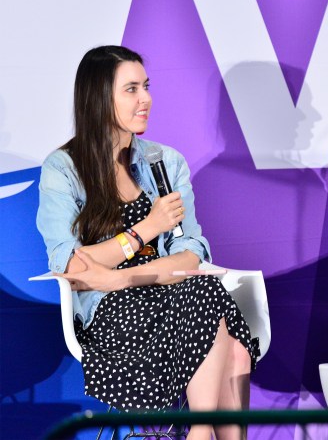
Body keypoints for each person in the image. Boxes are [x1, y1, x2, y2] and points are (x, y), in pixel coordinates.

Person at [36, 45, 257, 440]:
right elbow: (72, 265)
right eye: (132, 89)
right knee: (229, 339)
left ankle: (200, 432)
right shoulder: (63, 168)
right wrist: (146, 228)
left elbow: (191, 252)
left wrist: (119, 275)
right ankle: (201, 434)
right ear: (99, 97)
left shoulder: (165, 161)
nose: (146, 99)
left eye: (147, 87)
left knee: (212, 305)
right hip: (113, 317)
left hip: (168, 294)